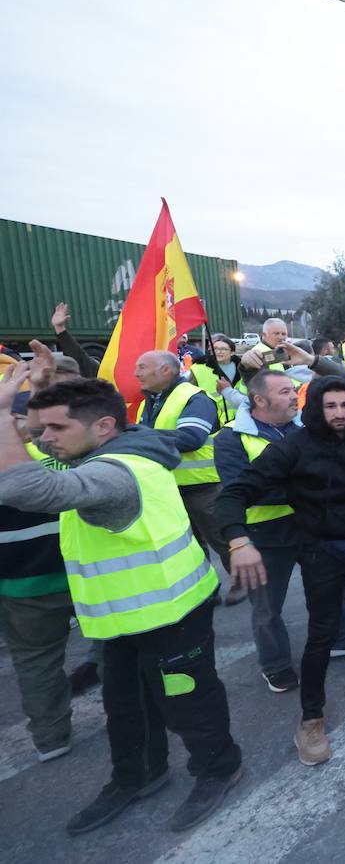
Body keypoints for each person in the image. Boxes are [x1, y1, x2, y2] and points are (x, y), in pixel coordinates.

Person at [0, 369, 242, 833]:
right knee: (126, 707)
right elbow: (29, 458)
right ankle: (138, 775)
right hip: (120, 619)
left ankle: (219, 768)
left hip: (171, 615)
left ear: (104, 426)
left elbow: (23, 486)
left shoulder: (114, 473)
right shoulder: (97, 452)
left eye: (56, 428)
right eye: (42, 428)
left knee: (189, 704)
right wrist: (37, 399)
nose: (44, 438)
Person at [217, 367, 345, 766]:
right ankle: (311, 719)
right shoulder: (293, 447)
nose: (339, 413)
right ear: (316, 408)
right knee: (320, 636)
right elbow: (234, 493)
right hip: (321, 551)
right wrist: (238, 540)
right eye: (330, 406)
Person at [213, 346, 345, 694]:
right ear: (259, 400)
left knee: (334, 588)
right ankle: (276, 665)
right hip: (266, 535)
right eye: (285, 391)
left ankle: (342, 637)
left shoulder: (308, 428)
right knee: (267, 606)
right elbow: (242, 489)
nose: (295, 396)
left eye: (293, 389)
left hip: (313, 527)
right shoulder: (231, 438)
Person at [133, 349, 246, 606]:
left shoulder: (194, 398)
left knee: (222, 538)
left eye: (142, 367)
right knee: (189, 544)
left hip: (203, 485)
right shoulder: (148, 401)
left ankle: (242, 582)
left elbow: (190, 439)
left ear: (165, 370)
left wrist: (140, 437)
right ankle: (206, 588)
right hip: (168, 485)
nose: (136, 373)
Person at [1, 382, 75, 764]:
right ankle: (136, 715)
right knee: (115, 648)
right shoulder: (65, 451)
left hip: (21, 582)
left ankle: (51, 736)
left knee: (36, 661)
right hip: (83, 572)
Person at [188, 333, 249, 426]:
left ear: (232, 352)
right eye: (215, 348)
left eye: (223, 349)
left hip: (241, 419)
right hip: (211, 419)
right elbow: (189, 393)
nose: (219, 352)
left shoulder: (244, 368)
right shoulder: (198, 368)